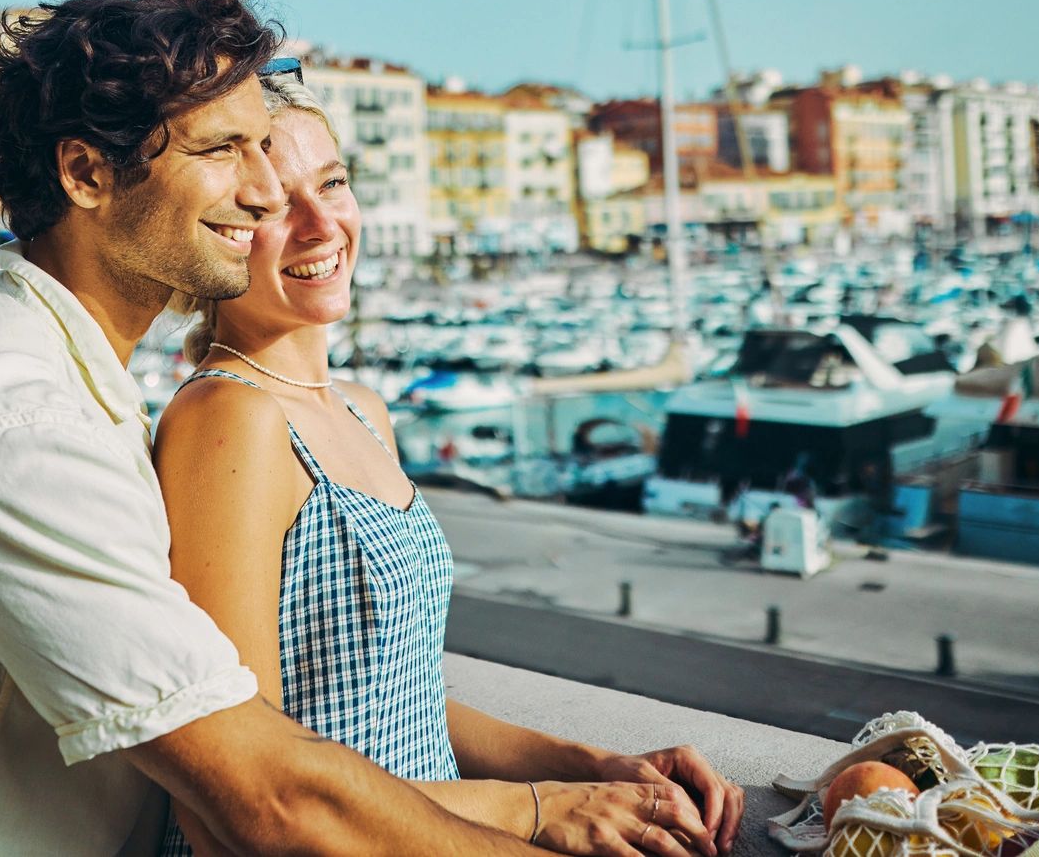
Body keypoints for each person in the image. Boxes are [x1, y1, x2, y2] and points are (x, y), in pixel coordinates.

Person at [0, 0, 546, 855]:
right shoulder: (20, 421)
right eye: (221, 152)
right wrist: (541, 813)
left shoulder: (34, 354)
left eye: (264, 149)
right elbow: (262, 799)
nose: (261, 191)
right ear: (87, 174)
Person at [153, 66, 746, 857]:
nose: (320, 224)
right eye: (271, 204)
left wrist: (600, 766)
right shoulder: (228, 418)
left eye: (332, 183)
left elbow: (403, 704)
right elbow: (247, 787)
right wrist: (539, 807)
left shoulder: (363, 409)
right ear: (225, 228)